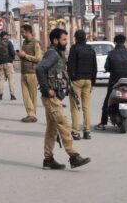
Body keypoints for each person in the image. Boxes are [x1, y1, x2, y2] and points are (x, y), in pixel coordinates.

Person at [36, 28, 91, 170]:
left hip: (54, 97)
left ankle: (48, 159)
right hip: (51, 97)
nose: (66, 42)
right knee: (64, 124)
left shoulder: (58, 54)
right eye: (64, 39)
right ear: (55, 41)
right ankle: (73, 156)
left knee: (52, 129)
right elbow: (39, 69)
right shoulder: (53, 54)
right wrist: (46, 89)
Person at [96, 34, 127, 130]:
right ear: (124, 42)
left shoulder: (111, 53)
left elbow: (106, 67)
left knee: (107, 101)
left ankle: (103, 123)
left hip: (114, 82)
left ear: (115, 42)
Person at [67, 30, 97, 140]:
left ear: (75, 38)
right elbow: (95, 67)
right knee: (86, 107)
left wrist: (71, 79)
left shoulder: (74, 49)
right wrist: (93, 82)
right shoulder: (90, 50)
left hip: (77, 81)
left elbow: (70, 65)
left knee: (75, 107)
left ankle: (75, 132)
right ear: (85, 38)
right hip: (88, 80)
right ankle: (87, 131)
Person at [17, 24, 42, 123]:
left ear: (28, 32)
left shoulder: (36, 43)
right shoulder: (24, 43)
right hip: (23, 71)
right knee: (25, 95)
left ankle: (32, 114)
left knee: (32, 95)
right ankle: (29, 114)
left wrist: (25, 55)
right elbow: (23, 56)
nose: (21, 34)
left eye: (22, 32)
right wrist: (20, 55)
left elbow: (38, 58)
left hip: (32, 73)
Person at [0, 31, 17, 100]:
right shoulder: (9, 43)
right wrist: (11, 60)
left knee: (1, 79)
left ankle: (0, 95)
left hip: (0, 64)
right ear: (5, 36)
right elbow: (12, 53)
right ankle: (12, 95)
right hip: (8, 63)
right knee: (11, 79)